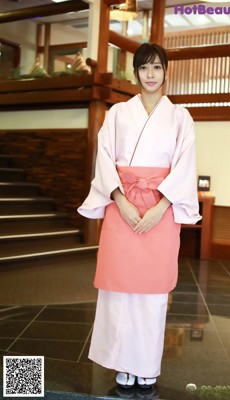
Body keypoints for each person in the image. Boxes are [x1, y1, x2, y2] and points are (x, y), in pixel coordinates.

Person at [78, 42, 201, 390]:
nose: (151, 74)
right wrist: (120, 200)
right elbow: (104, 158)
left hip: (160, 211)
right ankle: (122, 362)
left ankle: (146, 364)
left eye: (157, 67)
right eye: (144, 68)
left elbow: (184, 167)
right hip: (123, 208)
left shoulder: (180, 117)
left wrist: (162, 207)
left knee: (151, 291)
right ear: (135, 73)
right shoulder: (117, 113)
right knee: (119, 289)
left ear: (165, 72)